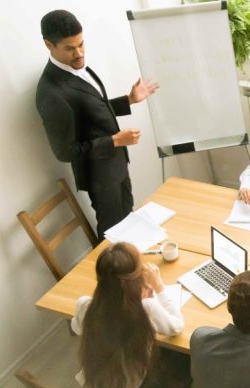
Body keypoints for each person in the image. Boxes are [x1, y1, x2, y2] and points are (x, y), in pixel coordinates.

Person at [36, 10, 159, 240]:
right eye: (70, 48)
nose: (79, 53)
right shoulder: (50, 93)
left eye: (81, 44)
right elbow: (65, 151)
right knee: (112, 235)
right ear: (48, 45)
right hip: (99, 177)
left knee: (129, 225)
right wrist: (114, 140)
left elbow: (90, 111)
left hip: (117, 165)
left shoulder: (77, 65)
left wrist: (129, 100)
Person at [71, 242, 190, 388]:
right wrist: (159, 287)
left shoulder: (85, 305)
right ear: (136, 277)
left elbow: (77, 328)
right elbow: (176, 326)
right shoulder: (146, 309)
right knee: (185, 358)